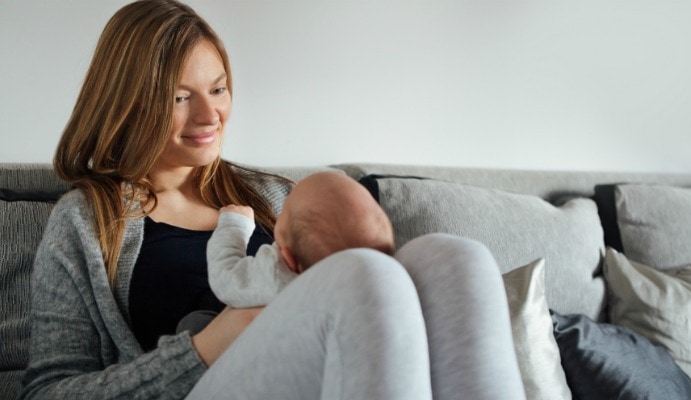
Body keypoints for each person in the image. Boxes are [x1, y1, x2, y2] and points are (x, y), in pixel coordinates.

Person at [21, 1, 526, 399]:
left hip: (317, 374)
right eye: (179, 97)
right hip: (205, 384)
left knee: (455, 257)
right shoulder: (88, 222)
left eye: (217, 89)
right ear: (127, 103)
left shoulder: (272, 195)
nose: (209, 115)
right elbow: (48, 391)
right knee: (362, 273)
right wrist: (213, 343)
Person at [177, 171, 396, 333]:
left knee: (194, 323)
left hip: (254, 360)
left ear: (288, 259)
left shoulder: (278, 272)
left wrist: (234, 227)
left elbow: (224, 276)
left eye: (285, 210)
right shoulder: (375, 290)